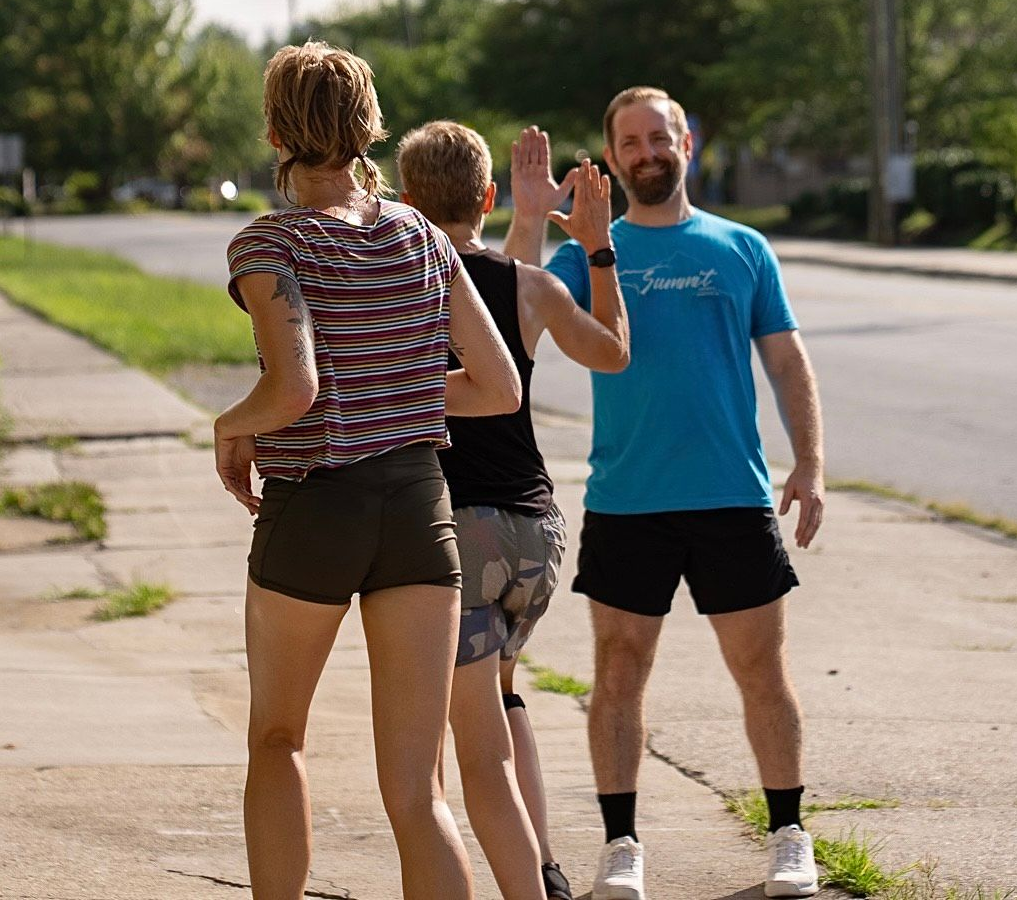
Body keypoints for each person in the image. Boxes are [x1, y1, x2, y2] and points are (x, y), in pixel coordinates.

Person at [213, 43, 522, 900]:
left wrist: (229, 425)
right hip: (422, 509)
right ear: (368, 130)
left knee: (279, 739)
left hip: (318, 508)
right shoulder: (423, 233)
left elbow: (294, 388)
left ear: (276, 132)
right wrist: (400, 390)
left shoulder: (269, 244)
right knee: (418, 793)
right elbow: (497, 388)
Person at [504, 89, 826, 900]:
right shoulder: (588, 253)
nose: (647, 152)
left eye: (659, 137)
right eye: (630, 142)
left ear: (687, 141)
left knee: (761, 668)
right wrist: (540, 219)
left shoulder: (742, 247)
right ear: (611, 159)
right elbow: (514, 314)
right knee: (618, 670)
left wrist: (810, 463)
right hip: (627, 499)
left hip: (730, 495)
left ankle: (789, 831)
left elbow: (786, 362)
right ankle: (622, 847)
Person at [395, 121, 629, 900]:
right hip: (534, 533)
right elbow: (613, 351)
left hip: (454, 533)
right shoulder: (530, 285)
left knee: (467, 743)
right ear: (487, 197)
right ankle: (551, 870)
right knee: (502, 693)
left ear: (405, 202)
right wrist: (598, 248)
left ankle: (521, 887)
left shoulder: (405, 283)